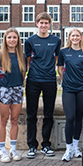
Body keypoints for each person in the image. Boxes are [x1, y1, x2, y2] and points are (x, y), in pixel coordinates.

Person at [24, 12, 61, 158]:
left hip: (50, 80)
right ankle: (32, 145)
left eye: (46, 23)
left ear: (49, 24)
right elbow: (27, 61)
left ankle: (46, 144)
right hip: (33, 80)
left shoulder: (56, 40)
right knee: (31, 114)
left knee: (48, 114)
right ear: (37, 24)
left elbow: (57, 58)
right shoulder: (30, 41)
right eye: (41, 23)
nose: (44, 25)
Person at [0, 28, 26, 163]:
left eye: (14, 37)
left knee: (15, 119)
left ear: (18, 40)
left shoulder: (21, 56)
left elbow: (23, 74)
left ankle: (13, 149)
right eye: (9, 37)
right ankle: (2, 150)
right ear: (5, 39)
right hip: (4, 90)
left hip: (17, 89)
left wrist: (19, 86)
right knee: (3, 120)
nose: (12, 40)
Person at [57, 29, 83, 162]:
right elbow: (60, 68)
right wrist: (65, 80)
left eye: (77, 35)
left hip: (82, 88)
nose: (75, 38)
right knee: (70, 117)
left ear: (81, 37)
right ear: (69, 37)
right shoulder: (63, 51)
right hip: (68, 88)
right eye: (73, 35)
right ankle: (68, 148)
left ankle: (76, 147)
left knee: (79, 117)